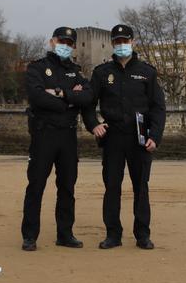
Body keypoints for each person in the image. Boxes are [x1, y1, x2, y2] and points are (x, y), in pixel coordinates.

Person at [82, 24, 166, 250]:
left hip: (140, 138)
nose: (121, 45)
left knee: (141, 188)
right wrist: (93, 125)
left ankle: (142, 234)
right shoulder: (101, 73)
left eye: (125, 41)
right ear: (112, 44)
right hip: (112, 138)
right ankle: (113, 234)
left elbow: (158, 107)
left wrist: (155, 136)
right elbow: (88, 104)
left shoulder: (147, 72)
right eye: (117, 41)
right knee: (112, 187)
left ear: (133, 42)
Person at [21, 27, 92, 251]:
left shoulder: (76, 72)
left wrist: (59, 93)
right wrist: (70, 100)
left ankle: (65, 233)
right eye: (62, 41)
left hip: (68, 136)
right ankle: (30, 236)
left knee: (67, 187)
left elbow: (88, 96)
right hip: (44, 135)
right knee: (36, 186)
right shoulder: (37, 68)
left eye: (70, 43)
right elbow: (37, 96)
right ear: (52, 41)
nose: (66, 45)